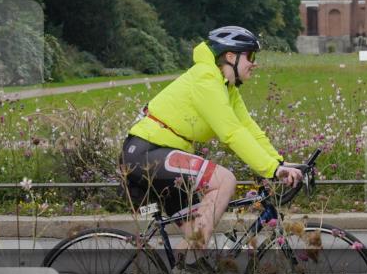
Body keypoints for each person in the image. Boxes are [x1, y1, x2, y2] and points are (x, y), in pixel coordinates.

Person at [120, 26, 303, 254]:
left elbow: (248, 128)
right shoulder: (206, 79)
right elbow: (231, 133)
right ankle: (188, 270)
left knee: (197, 243)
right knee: (224, 180)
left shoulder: (227, 88)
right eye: (250, 56)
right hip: (146, 152)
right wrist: (271, 170)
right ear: (230, 56)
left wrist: (279, 163)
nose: (254, 63)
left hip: (164, 157)